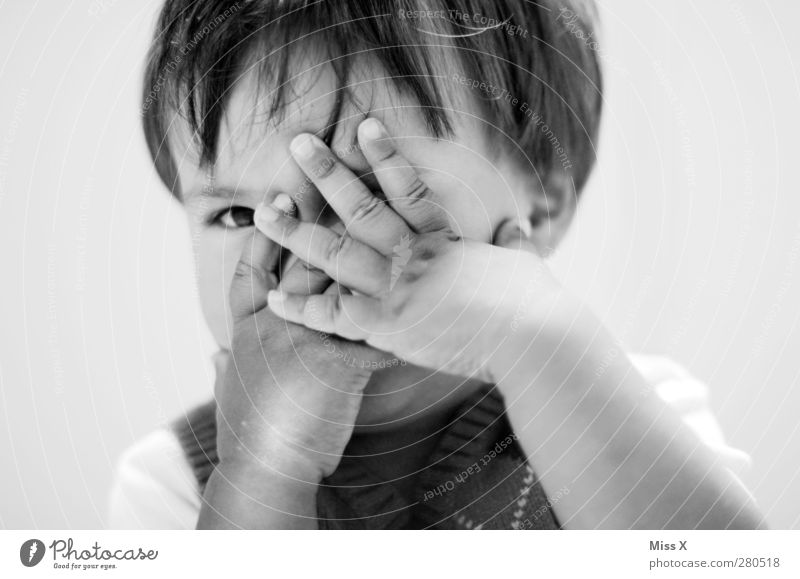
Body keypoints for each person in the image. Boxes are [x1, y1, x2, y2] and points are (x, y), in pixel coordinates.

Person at [109, 0, 764, 529]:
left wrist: (534, 335)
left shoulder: (625, 406)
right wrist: (262, 468)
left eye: (368, 197)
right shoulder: (175, 479)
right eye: (237, 217)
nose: (305, 260)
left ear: (543, 201)